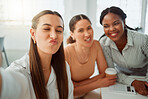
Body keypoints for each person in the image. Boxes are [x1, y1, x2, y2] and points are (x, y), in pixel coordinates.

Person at [6, 10, 73, 99]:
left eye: (59, 30)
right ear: (33, 34)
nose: (54, 36)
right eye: (46, 29)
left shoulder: (64, 67)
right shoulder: (17, 72)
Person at [65, 14, 117, 98]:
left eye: (89, 28)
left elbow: (103, 73)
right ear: (72, 34)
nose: (87, 34)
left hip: (85, 92)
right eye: (81, 30)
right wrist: (98, 83)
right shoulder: (66, 52)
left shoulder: (96, 45)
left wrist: (79, 84)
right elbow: (69, 91)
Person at [99, 6, 148, 96]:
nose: (111, 29)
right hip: (121, 80)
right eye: (106, 26)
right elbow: (111, 70)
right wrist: (133, 82)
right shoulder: (104, 43)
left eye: (116, 23)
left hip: (144, 78)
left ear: (124, 22)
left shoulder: (143, 40)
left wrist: (145, 82)